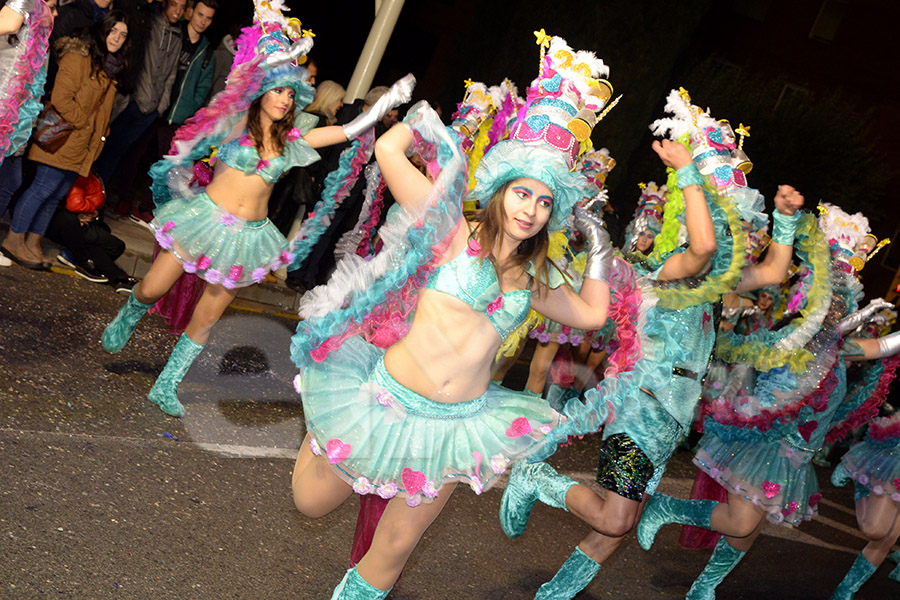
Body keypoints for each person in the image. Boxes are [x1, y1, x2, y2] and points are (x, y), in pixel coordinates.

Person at [289, 34, 614, 598]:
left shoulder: (536, 280)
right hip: (381, 402)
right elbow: (389, 152)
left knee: (394, 547)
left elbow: (590, 313)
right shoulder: (451, 231)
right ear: (500, 191)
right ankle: (322, 434)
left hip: (455, 428)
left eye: (544, 202)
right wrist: (423, 124)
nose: (530, 210)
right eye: (522, 194)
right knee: (310, 503)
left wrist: (599, 242)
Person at [499, 91, 805, 599]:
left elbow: (774, 270)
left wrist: (787, 219)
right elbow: (705, 247)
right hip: (639, 408)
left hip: (672, 419)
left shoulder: (715, 286)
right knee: (617, 520)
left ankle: (553, 594)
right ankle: (536, 479)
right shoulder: (669, 271)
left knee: (611, 533)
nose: (736, 234)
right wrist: (687, 173)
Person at [99, 4, 410, 419]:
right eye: (277, 90)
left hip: (250, 237)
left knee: (208, 317)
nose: (283, 99)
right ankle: (131, 310)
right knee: (153, 288)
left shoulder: (291, 141)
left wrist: (382, 105)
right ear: (261, 89)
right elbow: (231, 88)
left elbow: (344, 130)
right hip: (205, 221)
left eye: (289, 93)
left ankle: (167, 384)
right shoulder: (233, 124)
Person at [1, 10, 129, 269]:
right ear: (102, 30)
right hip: (63, 139)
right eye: (113, 30)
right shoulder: (78, 58)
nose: (117, 38)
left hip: (83, 146)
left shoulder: (108, 66)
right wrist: (84, 125)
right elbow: (61, 99)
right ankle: (14, 239)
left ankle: (34, 241)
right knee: (42, 190)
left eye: (123, 35)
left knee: (55, 196)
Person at [91, 0, 183, 187]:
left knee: (117, 154)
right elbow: (135, 57)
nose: (178, 11)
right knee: (101, 147)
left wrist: (160, 108)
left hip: (150, 110)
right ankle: (80, 199)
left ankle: (95, 199)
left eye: (182, 7)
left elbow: (171, 75)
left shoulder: (177, 36)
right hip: (131, 99)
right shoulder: (150, 23)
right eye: (174, 4)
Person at [0, 0, 55, 267]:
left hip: (14, 110)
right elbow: (9, 22)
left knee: (10, 180)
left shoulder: (40, 10)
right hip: (3, 102)